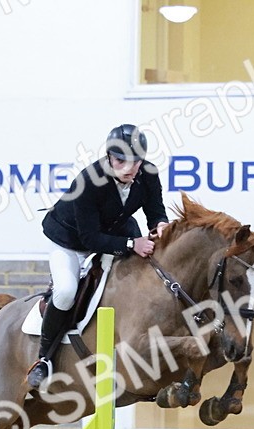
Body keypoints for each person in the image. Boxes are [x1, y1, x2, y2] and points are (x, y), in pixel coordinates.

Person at [31, 123, 168, 389]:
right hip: (71, 241)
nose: (129, 168)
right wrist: (131, 244)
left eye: (136, 161)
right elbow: (89, 239)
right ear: (108, 157)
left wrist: (159, 226)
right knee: (67, 292)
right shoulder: (88, 181)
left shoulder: (148, 174)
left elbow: (155, 210)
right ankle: (44, 359)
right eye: (121, 161)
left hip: (116, 230)